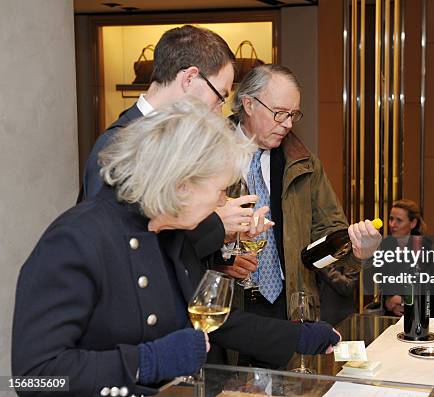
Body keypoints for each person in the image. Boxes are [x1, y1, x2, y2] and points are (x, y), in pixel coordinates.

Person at [12, 99, 341, 397]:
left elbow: (214, 321)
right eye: (218, 190)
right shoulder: (76, 240)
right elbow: (33, 378)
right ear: (181, 184)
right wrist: (147, 361)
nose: (220, 201)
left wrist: (297, 337)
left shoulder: (169, 233)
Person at [80, 24, 258, 282]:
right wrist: (216, 225)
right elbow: (122, 251)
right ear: (188, 78)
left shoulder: (172, 142)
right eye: (220, 96)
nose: (219, 110)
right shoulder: (120, 143)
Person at [228, 64, 382, 327]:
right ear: (248, 104)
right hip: (228, 308)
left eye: (293, 115)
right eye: (279, 114)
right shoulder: (205, 155)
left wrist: (358, 253)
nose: (287, 124)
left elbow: (329, 238)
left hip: (290, 310)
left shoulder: (304, 165)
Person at [380, 199, 434, 318]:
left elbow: (432, 288)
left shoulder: (423, 247)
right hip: (391, 316)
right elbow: (383, 285)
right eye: (391, 219)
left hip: (419, 317)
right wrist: (388, 302)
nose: (393, 224)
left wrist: (404, 301)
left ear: (413, 223)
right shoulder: (386, 245)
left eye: (399, 220)